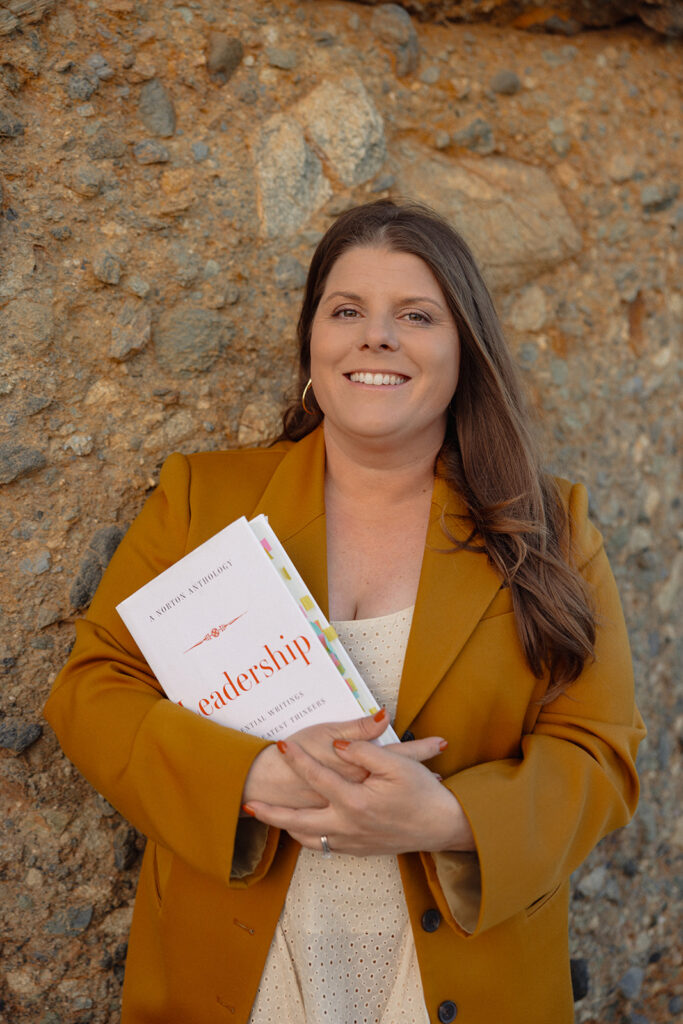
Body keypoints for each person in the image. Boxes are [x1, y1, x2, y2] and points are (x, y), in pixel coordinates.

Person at [44, 199, 644, 1024]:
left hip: (460, 973)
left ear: (463, 349)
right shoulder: (200, 498)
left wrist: (449, 817)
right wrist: (254, 778)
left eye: (416, 315)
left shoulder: (551, 526)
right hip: (238, 971)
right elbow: (92, 690)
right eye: (347, 310)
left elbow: (599, 752)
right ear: (313, 341)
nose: (376, 336)